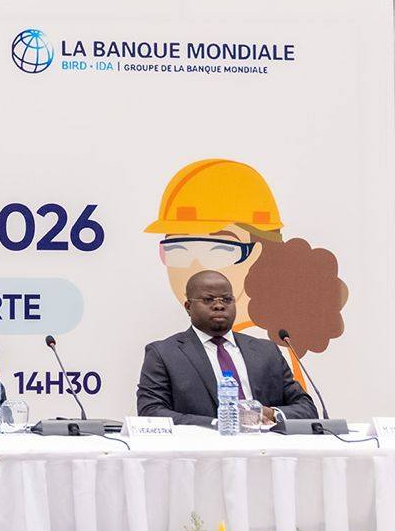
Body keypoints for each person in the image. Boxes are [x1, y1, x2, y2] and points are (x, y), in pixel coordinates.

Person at [146, 158, 348, 385]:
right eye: (178, 249)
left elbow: (299, 404)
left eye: (218, 249)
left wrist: (264, 408)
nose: (194, 266)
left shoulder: (266, 349)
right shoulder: (166, 354)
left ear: (256, 252)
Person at [135, 270, 316, 427]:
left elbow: (306, 408)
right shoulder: (164, 354)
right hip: (203, 451)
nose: (219, 305)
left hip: (266, 449)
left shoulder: (266, 351)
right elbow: (151, 412)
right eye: (208, 299)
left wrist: (270, 414)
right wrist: (219, 424)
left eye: (227, 299)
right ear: (189, 307)